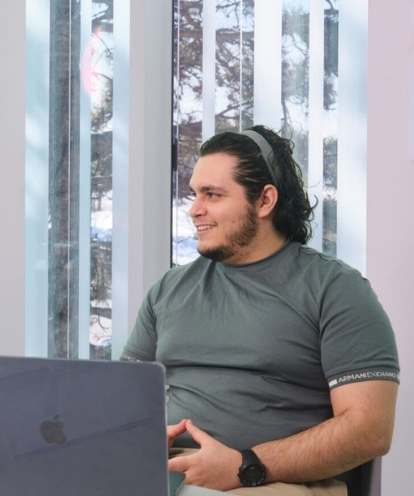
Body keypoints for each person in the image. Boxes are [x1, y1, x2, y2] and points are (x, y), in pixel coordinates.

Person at [122, 125, 399, 495]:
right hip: (167, 469)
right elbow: (123, 399)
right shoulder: (168, 290)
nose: (194, 210)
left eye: (212, 195)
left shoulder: (336, 290)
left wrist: (244, 466)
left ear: (265, 200)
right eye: (194, 194)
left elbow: (370, 429)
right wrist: (142, 433)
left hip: (271, 478)